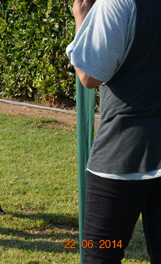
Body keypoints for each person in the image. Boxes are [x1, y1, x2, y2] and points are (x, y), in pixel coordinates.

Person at [67, 0, 161, 262]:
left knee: (101, 253)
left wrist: (81, 21)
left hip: (124, 154)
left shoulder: (117, 2)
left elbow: (89, 75)